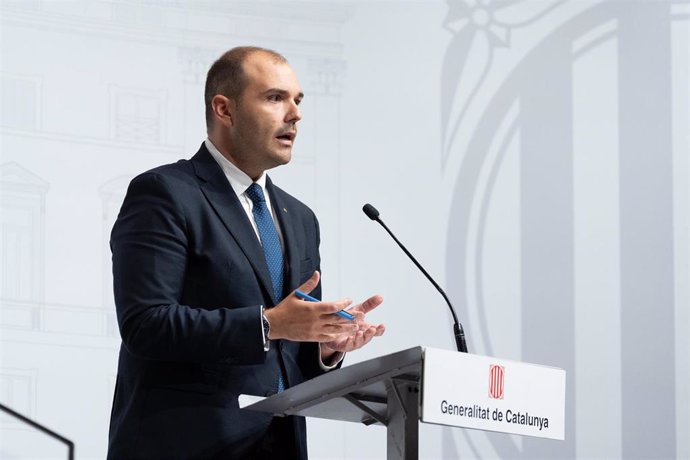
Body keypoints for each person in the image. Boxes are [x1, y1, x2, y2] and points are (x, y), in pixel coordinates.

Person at [106, 46, 385, 459]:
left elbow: (287, 356)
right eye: (275, 98)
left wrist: (326, 344)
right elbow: (146, 325)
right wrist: (269, 324)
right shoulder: (166, 194)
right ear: (224, 109)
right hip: (183, 445)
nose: (295, 114)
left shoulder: (300, 218)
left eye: (298, 100)